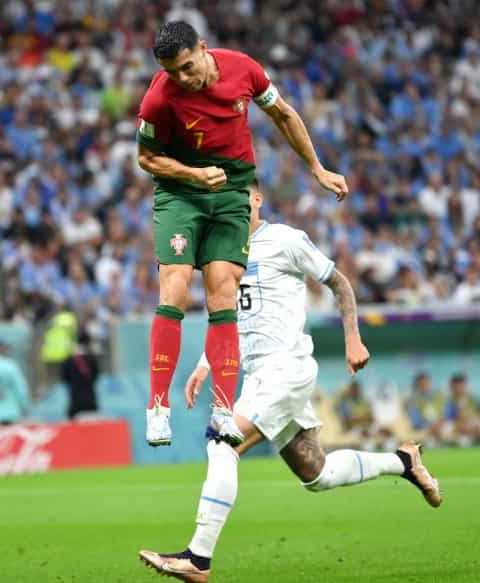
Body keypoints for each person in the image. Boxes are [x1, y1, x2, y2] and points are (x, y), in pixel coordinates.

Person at [138, 182, 440, 582]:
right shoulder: (222, 255)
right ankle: (404, 462)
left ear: (258, 199)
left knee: (221, 441)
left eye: (241, 196)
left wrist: (353, 337)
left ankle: (199, 557)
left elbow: (339, 282)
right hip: (260, 376)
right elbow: (231, 318)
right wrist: (204, 363)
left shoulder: (284, 239)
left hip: (286, 368)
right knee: (316, 473)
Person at [137, 21, 349, 447]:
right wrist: (193, 174)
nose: (181, 78)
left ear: (203, 47)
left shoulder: (245, 70)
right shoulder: (160, 96)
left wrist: (317, 167)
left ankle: (223, 408)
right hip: (181, 193)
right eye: (171, 71)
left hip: (233, 190)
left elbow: (283, 114)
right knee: (175, 288)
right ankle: (157, 409)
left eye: (186, 66)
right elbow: (146, 158)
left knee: (222, 293)